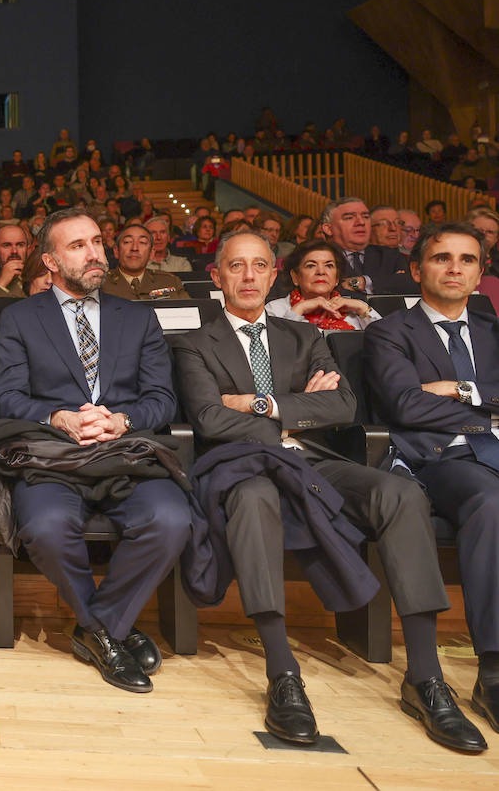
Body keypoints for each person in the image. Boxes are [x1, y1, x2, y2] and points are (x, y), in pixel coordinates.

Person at [171, 230, 473, 749]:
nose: (248, 276)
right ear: (216, 276)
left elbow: (342, 408)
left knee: (400, 494)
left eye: (259, 265)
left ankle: (425, 676)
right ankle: (283, 673)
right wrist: (293, 410)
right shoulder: (194, 343)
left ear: (273, 275)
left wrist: (259, 403)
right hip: (243, 464)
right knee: (254, 498)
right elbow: (209, 419)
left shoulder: (304, 337)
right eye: (236, 266)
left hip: (313, 460)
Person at [0, 208, 190, 693]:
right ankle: (111, 630)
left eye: (97, 241)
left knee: (171, 521)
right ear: (51, 261)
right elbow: (4, 396)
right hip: (55, 456)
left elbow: (162, 399)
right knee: (44, 527)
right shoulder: (19, 317)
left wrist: (122, 420)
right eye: (78, 245)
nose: (95, 252)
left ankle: (97, 629)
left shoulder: (138, 317)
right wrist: (60, 416)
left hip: (128, 452)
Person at [366, 222, 499, 739]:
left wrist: (460, 390)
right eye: (442, 258)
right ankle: (491, 668)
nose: (454, 268)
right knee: (490, 501)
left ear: (480, 272)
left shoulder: (493, 330)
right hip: (441, 460)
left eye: (467, 260)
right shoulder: (390, 332)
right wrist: (484, 413)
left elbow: (433, 400)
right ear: (418, 269)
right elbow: (405, 404)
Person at [266, 240, 380, 331]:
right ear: (295, 277)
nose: (321, 271)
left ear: (337, 278)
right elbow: (278, 349)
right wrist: (299, 310)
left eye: (329, 266)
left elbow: (386, 343)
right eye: (311, 266)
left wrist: (362, 307)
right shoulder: (274, 310)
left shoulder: (354, 310)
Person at [315, 197, 414, 296]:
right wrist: (387, 282)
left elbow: (411, 283)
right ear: (328, 229)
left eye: (366, 217)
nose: (361, 222)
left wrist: (363, 282)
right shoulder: (316, 258)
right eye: (349, 218)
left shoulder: (390, 255)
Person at [101, 224, 189, 301]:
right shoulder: (101, 284)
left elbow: (190, 315)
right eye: (127, 242)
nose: (134, 248)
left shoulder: (170, 282)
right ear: (116, 251)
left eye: (142, 242)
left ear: (151, 253)